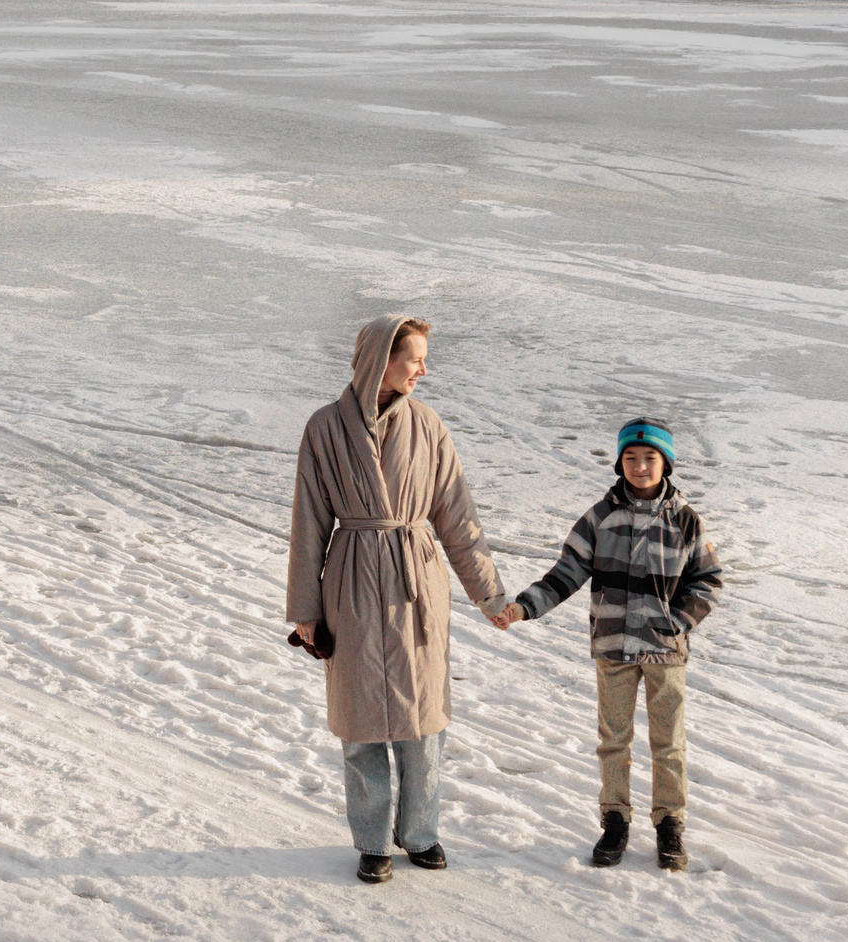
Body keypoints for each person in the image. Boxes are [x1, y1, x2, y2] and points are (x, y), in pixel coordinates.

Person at [289, 314, 512, 884]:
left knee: (423, 720)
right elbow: (309, 523)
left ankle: (419, 833)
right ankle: (371, 841)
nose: (422, 369)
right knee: (361, 721)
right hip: (353, 579)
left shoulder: (429, 425)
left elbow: (457, 518)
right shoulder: (324, 428)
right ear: (380, 359)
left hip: (417, 581)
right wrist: (307, 612)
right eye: (414, 358)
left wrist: (489, 593)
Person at [495, 418, 722, 872]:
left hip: (664, 651)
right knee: (613, 739)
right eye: (631, 458)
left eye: (650, 458)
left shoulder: (684, 520)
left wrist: (677, 623)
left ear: (667, 463)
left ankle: (669, 823)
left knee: (668, 741)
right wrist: (523, 607)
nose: (640, 466)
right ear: (619, 462)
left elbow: (708, 579)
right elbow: (565, 574)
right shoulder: (599, 518)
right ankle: (615, 820)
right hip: (613, 647)